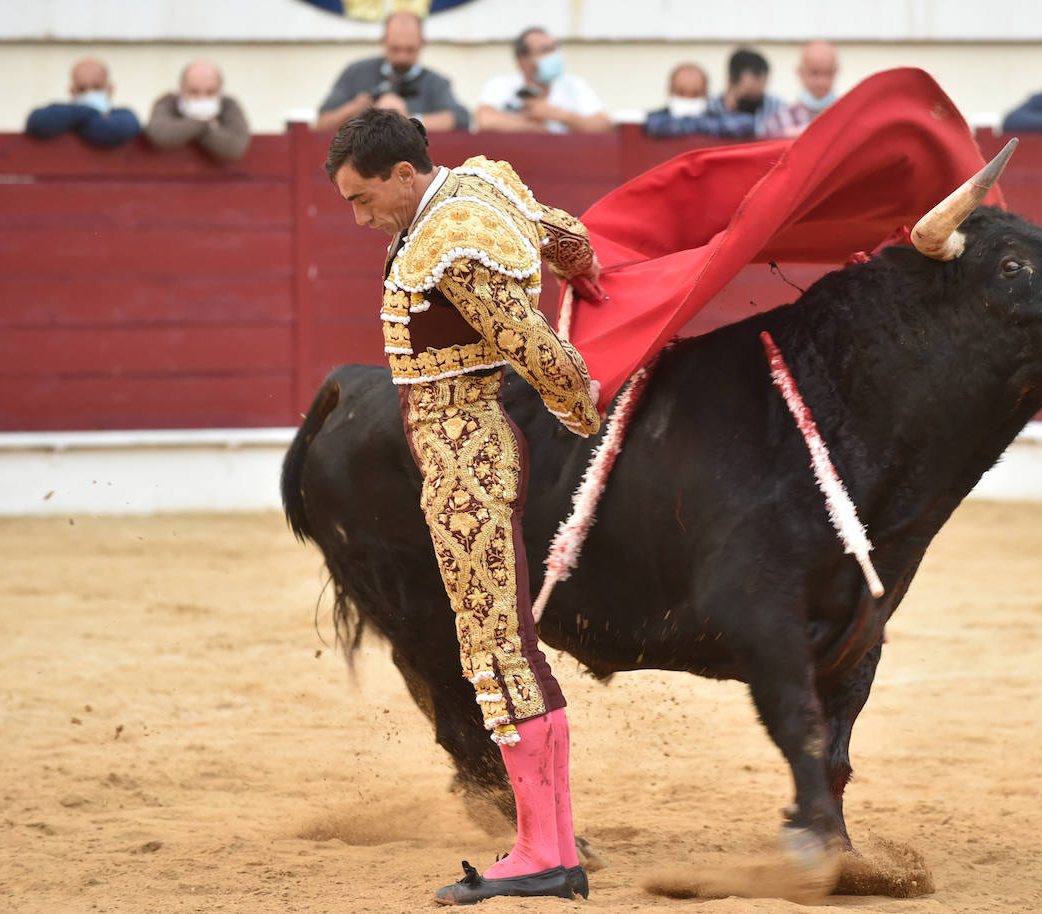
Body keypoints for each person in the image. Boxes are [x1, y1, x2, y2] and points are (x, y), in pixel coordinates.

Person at [324, 108, 603, 904]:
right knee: (499, 642)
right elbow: (566, 235)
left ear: (405, 175)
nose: (358, 215)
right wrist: (581, 271)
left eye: (362, 197)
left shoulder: (452, 241)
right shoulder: (479, 184)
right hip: (466, 442)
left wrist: (585, 411)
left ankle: (545, 851)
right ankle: (544, 844)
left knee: (496, 647)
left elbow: (530, 343)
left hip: (464, 450)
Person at [315, 10, 469, 134]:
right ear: (383, 41)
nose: (402, 56)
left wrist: (407, 120)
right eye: (395, 48)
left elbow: (461, 119)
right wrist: (359, 108)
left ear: (422, 44)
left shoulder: (435, 82)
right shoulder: (356, 72)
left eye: (410, 49)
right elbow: (321, 124)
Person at [476, 27, 612, 133]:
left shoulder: (574, 85)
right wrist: (532, 126)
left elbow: (603, 125)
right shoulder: (500, 85)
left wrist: (558, 114)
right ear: (523, 61)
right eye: (546, 50)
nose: (554, 55)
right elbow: (485, 120)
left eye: (555, 48)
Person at [146, 60, 251, 162]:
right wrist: (205, 124)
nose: (202, 98)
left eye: (210, 92)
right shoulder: (168, 102)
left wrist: (187, 130)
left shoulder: (228, 105)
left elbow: (234, 148)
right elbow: (162, 136)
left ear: (220, 90)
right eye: (194, 92)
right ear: (181, 89)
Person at [24, 58, 141, 148]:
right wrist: (90, 112)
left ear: (109, 89)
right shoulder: (61, 116)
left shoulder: (124, 116)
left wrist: (78, 120)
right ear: (72, 91)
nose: (89, 93)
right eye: (82, 89)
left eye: (97, 87)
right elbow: (37, 123)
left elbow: (110, 131)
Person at [643, 62, 752, 138]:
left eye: (695, 94)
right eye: (681, 93)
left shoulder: (715, 115)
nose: (688, 99)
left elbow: (745, 124)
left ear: (706, 93)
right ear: (670, 91)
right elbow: (651, 124)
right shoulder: (655, 119)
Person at [762, 41, 840, 139]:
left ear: (836, 71)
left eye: (828, 73)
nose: (821, 82)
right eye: (814, 73)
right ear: (800, 72)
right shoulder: (778, 121)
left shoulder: (848, 118)